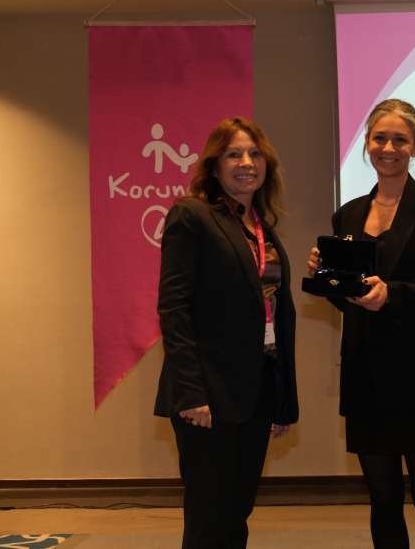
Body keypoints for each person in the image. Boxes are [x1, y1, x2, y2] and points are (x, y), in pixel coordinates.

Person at [307, 99, 415, 549]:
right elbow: (351, 300)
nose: (389, 147)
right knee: (382, 499)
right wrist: (327, 278)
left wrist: (392, 294)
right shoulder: (347, 215)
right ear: (367, 144)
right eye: (380, 138)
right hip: (366, 374)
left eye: (400, 140)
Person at [154, 117, 298, 549]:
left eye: (255, 154)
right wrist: (190, 393)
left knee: (237, 512)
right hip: (208, 390)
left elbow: (275, 315)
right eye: (234, 154)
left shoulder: (261, 226)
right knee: (209, 517)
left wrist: (281, 399)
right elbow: (174, 309)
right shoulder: (192, 214)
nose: (246, 163)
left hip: (258, 388)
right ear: (214, 165)